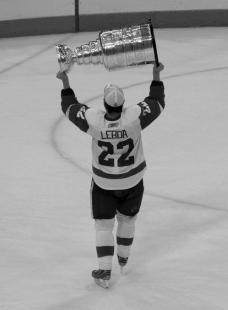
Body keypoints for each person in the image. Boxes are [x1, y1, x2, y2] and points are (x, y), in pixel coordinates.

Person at [56, 62, 165, 288]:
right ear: (123, 104)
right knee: (127, 219)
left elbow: (69, 107)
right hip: (133, 181)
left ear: (104, 104)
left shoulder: (94, 119)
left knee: (104, 225)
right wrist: (155, 77)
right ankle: (123, 259)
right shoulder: (134, 117)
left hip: (104, 182)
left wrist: (65, 82)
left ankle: (105, 271)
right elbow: (157, 103)